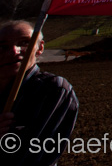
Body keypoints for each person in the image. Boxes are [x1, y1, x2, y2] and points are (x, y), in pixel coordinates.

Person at [0, 21, 79, 166]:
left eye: (24, 43)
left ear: (40, 47)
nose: (13, 51)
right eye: (3, 46)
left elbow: (32, 156)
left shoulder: (53, 89)